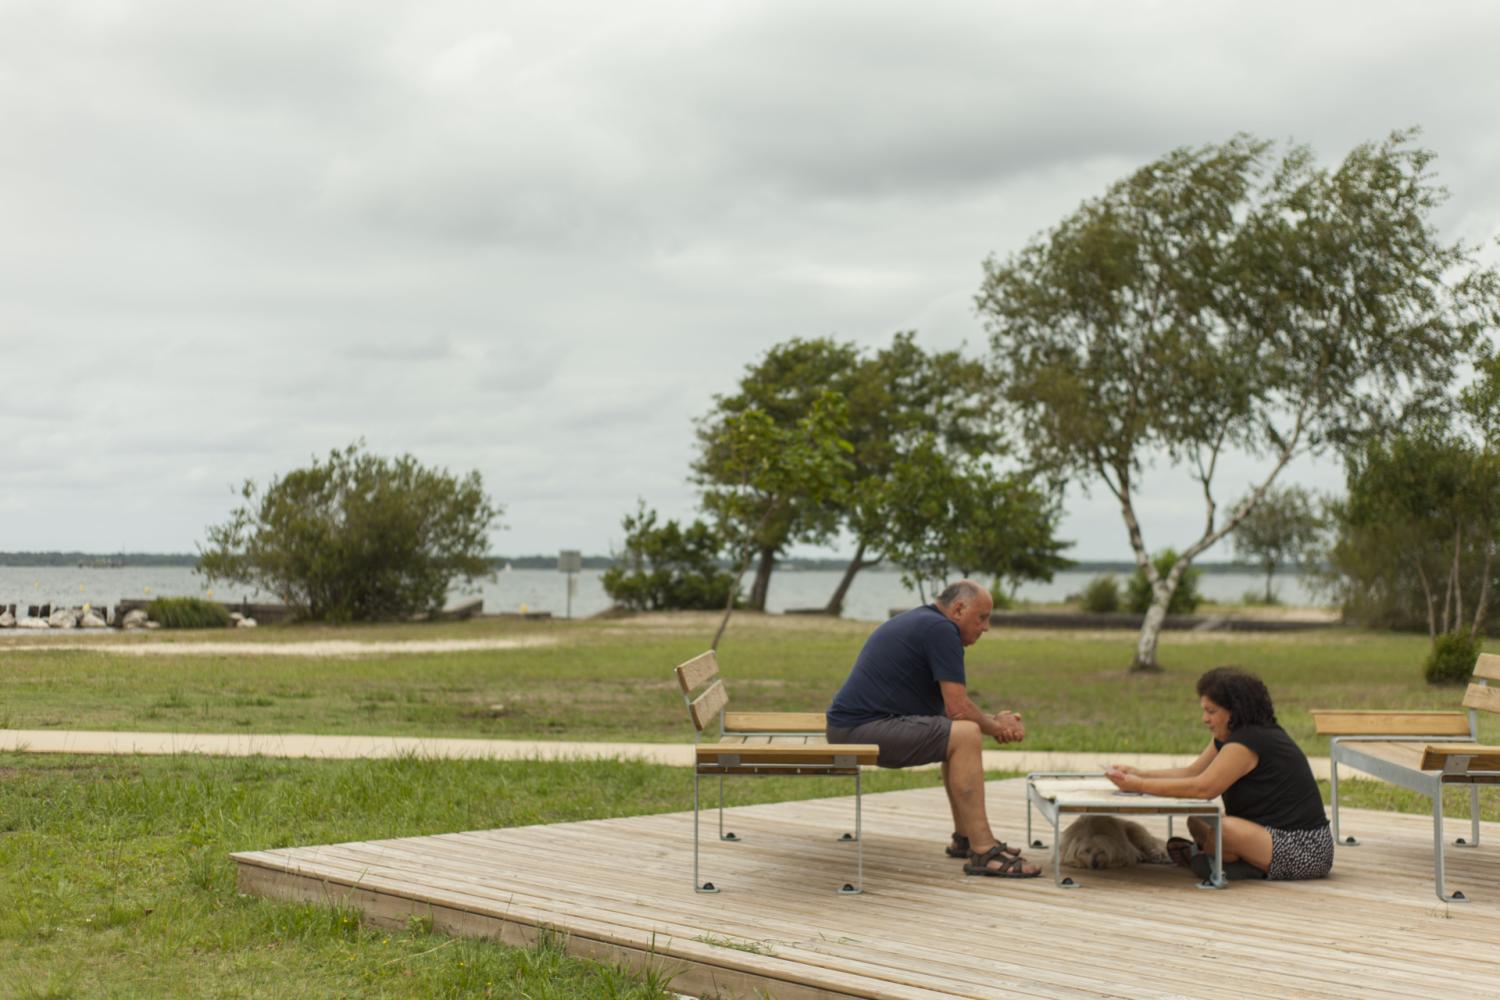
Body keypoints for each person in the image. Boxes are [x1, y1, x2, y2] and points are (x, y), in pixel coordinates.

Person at [826, 579, 1040, 878]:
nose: (986, 627)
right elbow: (958, 709)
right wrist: (996, 725)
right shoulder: (941, 630)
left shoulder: (926, 623)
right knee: (965, 734)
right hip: (860, 729)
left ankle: (966, 838)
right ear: (958, 609)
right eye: (982, 617)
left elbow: (951, 711)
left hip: (854, 726)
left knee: (959, 732)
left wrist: (993, 720)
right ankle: (983, 850)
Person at [1105, 666, 1332, 882]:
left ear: (1234, 711)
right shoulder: (1231, 737)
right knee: (1197, 820)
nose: (1205, 718)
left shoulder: (1249, 741)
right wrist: (1140, 774)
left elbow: (1203, 788)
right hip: (1262, 833)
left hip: (1305, 848)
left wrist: (1140, 785)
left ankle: (1221, 861)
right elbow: (1192, 772)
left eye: (1211, 711)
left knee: (1224, 830)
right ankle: (1225, 858)